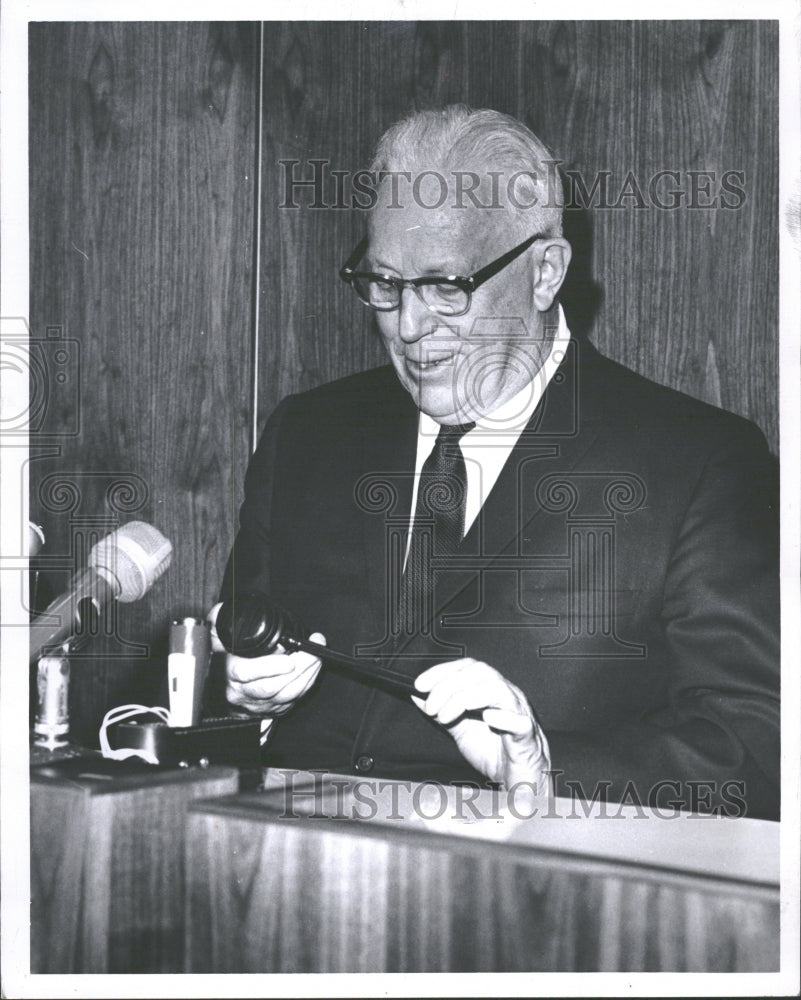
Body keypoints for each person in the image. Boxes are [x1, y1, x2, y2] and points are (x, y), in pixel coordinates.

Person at [214, 106, 779, 819]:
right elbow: (220, 669)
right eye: (383, 283)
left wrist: (545, 771)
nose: (410, 326)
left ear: (544, 274)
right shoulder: (307, 434)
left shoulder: (698, 463)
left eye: (447, 286)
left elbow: (758, 753)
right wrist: (244, 697)